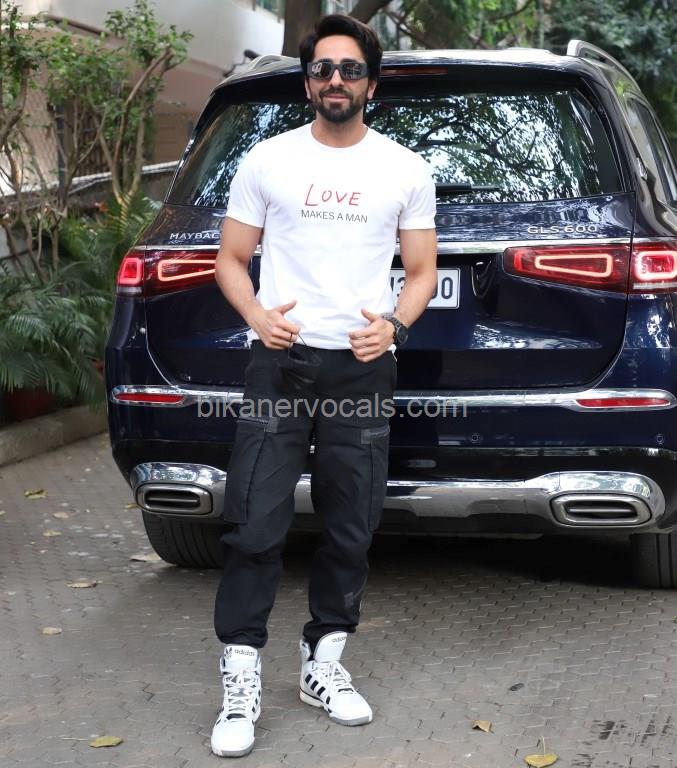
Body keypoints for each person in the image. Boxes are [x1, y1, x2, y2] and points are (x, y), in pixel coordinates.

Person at [210, 13, 438, 758]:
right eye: (322, 69)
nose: (334, 80)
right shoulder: (267, 160)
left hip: (361, 369)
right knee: (254, 523)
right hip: (280, 365)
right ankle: (240, 677)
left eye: (349, 69)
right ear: (307, 82)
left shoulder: (404, 169)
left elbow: (422, 271)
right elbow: (231, 259)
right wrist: (256, 316)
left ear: (371, 83)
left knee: (350, 526)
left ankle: (323, 663)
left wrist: (394, 326)